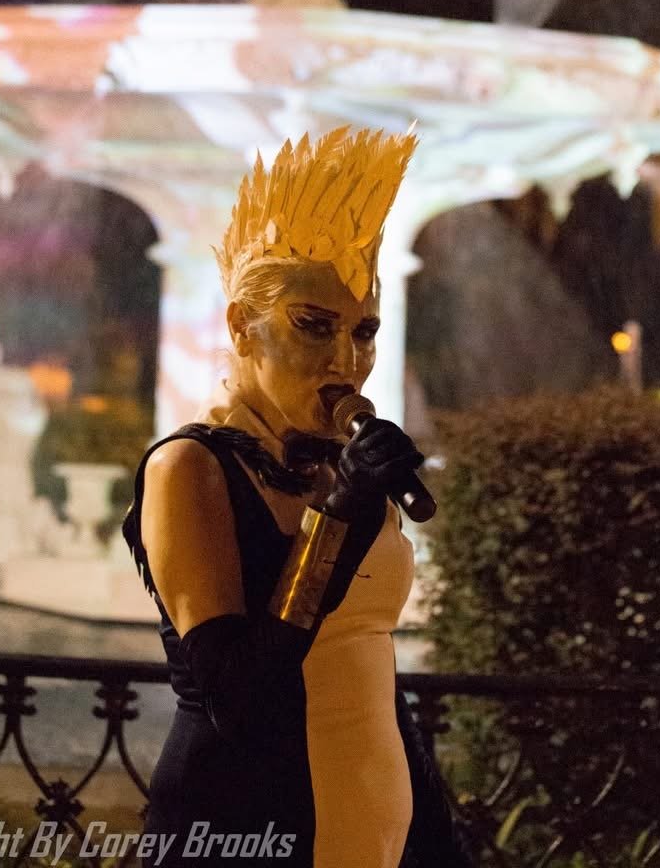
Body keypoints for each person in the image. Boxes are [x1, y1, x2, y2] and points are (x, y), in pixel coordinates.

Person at [124, 127, 472, 867]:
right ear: (241, 328)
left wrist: (433, 830)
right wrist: (340, 512)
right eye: (313, 327)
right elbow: (239, 699)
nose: (346, 359)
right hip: (248, 827)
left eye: (364, 331)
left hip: (378, 825)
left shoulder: (340, 468)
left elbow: (366, 668)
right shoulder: (189, 467)